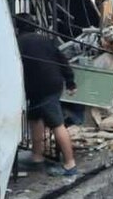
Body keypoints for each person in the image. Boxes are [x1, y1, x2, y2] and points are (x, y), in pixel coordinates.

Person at [16, 14, 79, 176]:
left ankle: (70, 164)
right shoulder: (45, 40)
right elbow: (62, 60)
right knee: (35, 119)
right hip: (52, 84)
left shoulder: (17, 44)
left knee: (57, 124)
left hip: (40, 88)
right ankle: (37, 157)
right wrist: (70, 82)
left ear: (17, 28)